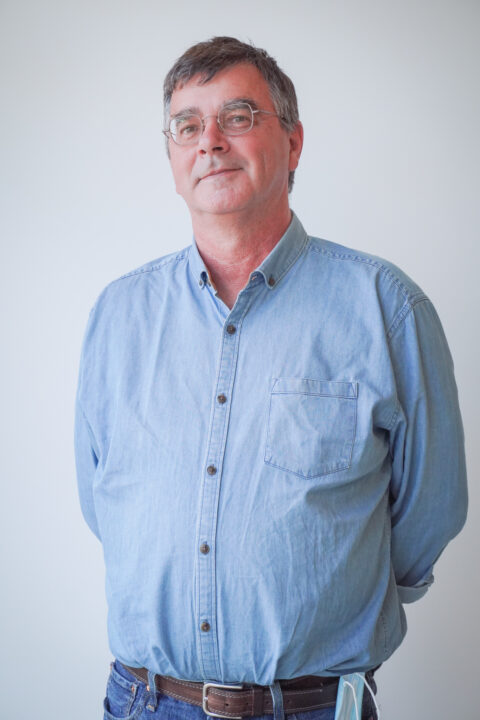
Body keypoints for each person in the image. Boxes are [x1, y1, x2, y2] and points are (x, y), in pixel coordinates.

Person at [74, 36, 468, 720]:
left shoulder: (387, 308)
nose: (209, 141)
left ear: (293, 142)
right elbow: (102, 501)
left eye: (238, 116)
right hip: (144, 702)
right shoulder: (118, 315)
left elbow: (429, 513)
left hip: (312, 708)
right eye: (187, 125)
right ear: (172, 158)